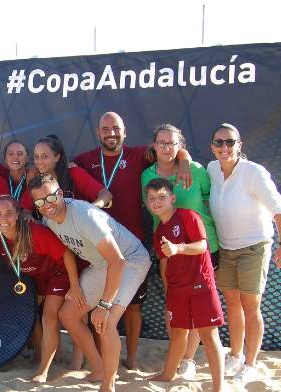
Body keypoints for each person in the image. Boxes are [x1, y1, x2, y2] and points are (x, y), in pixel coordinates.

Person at [73, 112, 192, 369]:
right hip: (99, 247)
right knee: (98, 304)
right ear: (98, 132)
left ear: (124, 132)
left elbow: (170, 150)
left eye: (116, 128)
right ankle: (102, 354)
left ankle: (133, 357)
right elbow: (64, 169)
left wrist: (184, 160)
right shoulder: (84, 160)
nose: (111, 133)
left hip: (133, 246)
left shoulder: (139, 155)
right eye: (105, 129)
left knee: (132, 307)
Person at [30, 173, 151, 392]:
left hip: (130, 260)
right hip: (100, 265)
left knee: (105, 322)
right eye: (39, 201)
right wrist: (74, 286)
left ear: (60, 194)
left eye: (49, 198)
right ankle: (98, 368)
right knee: (67, 314)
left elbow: (118, 261)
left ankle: (108, 385)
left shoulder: (84, 215)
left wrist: (104, 305)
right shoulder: (48, 220)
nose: (46, 205)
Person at [0, 196, 85, 383]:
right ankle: (42, 354)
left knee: (49, 316)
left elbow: (66, 253)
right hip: (35, 278)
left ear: (18, 215)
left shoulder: (35, 232)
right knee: (30, 312)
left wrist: (75, 286)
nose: (3, 219)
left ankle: (43, 371)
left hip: (58, 274)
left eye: (8, 213)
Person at [207, 123, 281, 383]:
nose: (224, 147)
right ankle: (236, 354)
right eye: (219, 142)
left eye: (230, 142)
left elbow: (279, 209)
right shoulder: (210, 169)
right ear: (212, 147)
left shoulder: (254, 172)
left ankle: (250, 363)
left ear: (240, 145)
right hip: (226, 248)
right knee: (232, 303)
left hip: (254, 246)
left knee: (251, 306)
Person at [140, 123, 220, 378]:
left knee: (205, 322)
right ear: (153, 145)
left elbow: (212, 197)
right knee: (178, 316)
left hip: (203, 250)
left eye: (171, 143)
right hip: (167, 248)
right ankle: (173, 368)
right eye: (161, 143)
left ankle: (187, 360)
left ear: (181, 146)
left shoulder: (196, 171)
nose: (166, 148)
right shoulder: (147, 176)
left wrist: (185, 161)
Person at [144, 178, 225, 391]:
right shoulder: (159, 231)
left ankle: (218, 386)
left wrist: (178, 248)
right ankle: (168, 374)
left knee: (209, 335)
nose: (157, 202)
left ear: (173, 198)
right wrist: (168, 290)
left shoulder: (188, 216)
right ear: (146, 202)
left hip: (200, 285)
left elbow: (202, 245)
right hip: (177, 290)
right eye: (152, 198)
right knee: (178, 333)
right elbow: (164, 263)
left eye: (161, 197)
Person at [29, 135, 111, 209]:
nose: (39, 161)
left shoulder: (73, 172)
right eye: (36, 156)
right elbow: (25, 209)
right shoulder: (36, 181)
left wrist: (89, 210)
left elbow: (106, 195)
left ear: (57, 157)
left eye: (45, 156)